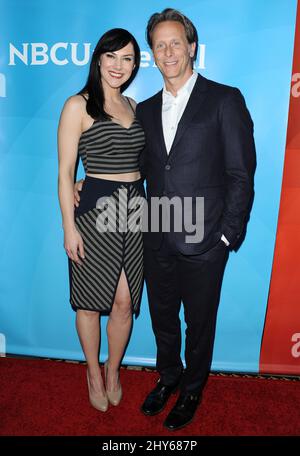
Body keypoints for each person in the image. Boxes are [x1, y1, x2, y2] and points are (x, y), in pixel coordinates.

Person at [74, 8, 256, 430]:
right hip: (153, 234)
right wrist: (86, 181)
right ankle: (168, 376)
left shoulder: (225, 99)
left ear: (192, 48)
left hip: (206, 240)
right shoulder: (144, 108)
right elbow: (130, 165)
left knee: (199, 323)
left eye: (176, 43)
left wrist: (227, 237)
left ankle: (192, 388)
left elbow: (240, 174)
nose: (168, 51)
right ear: (152, 55)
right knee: (161, 318)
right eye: (159, 45)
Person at [57, 28, 145, 413]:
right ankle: (93, 371)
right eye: (112, 56)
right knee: (91, 304)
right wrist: (68, 227)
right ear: (98, 59)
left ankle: (113, 370)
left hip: (137, 210)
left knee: (124, 303)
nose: (119, 65)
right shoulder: (79, 105)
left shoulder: (135, 105)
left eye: (127, 59)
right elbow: (64, 173)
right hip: (95, 213)